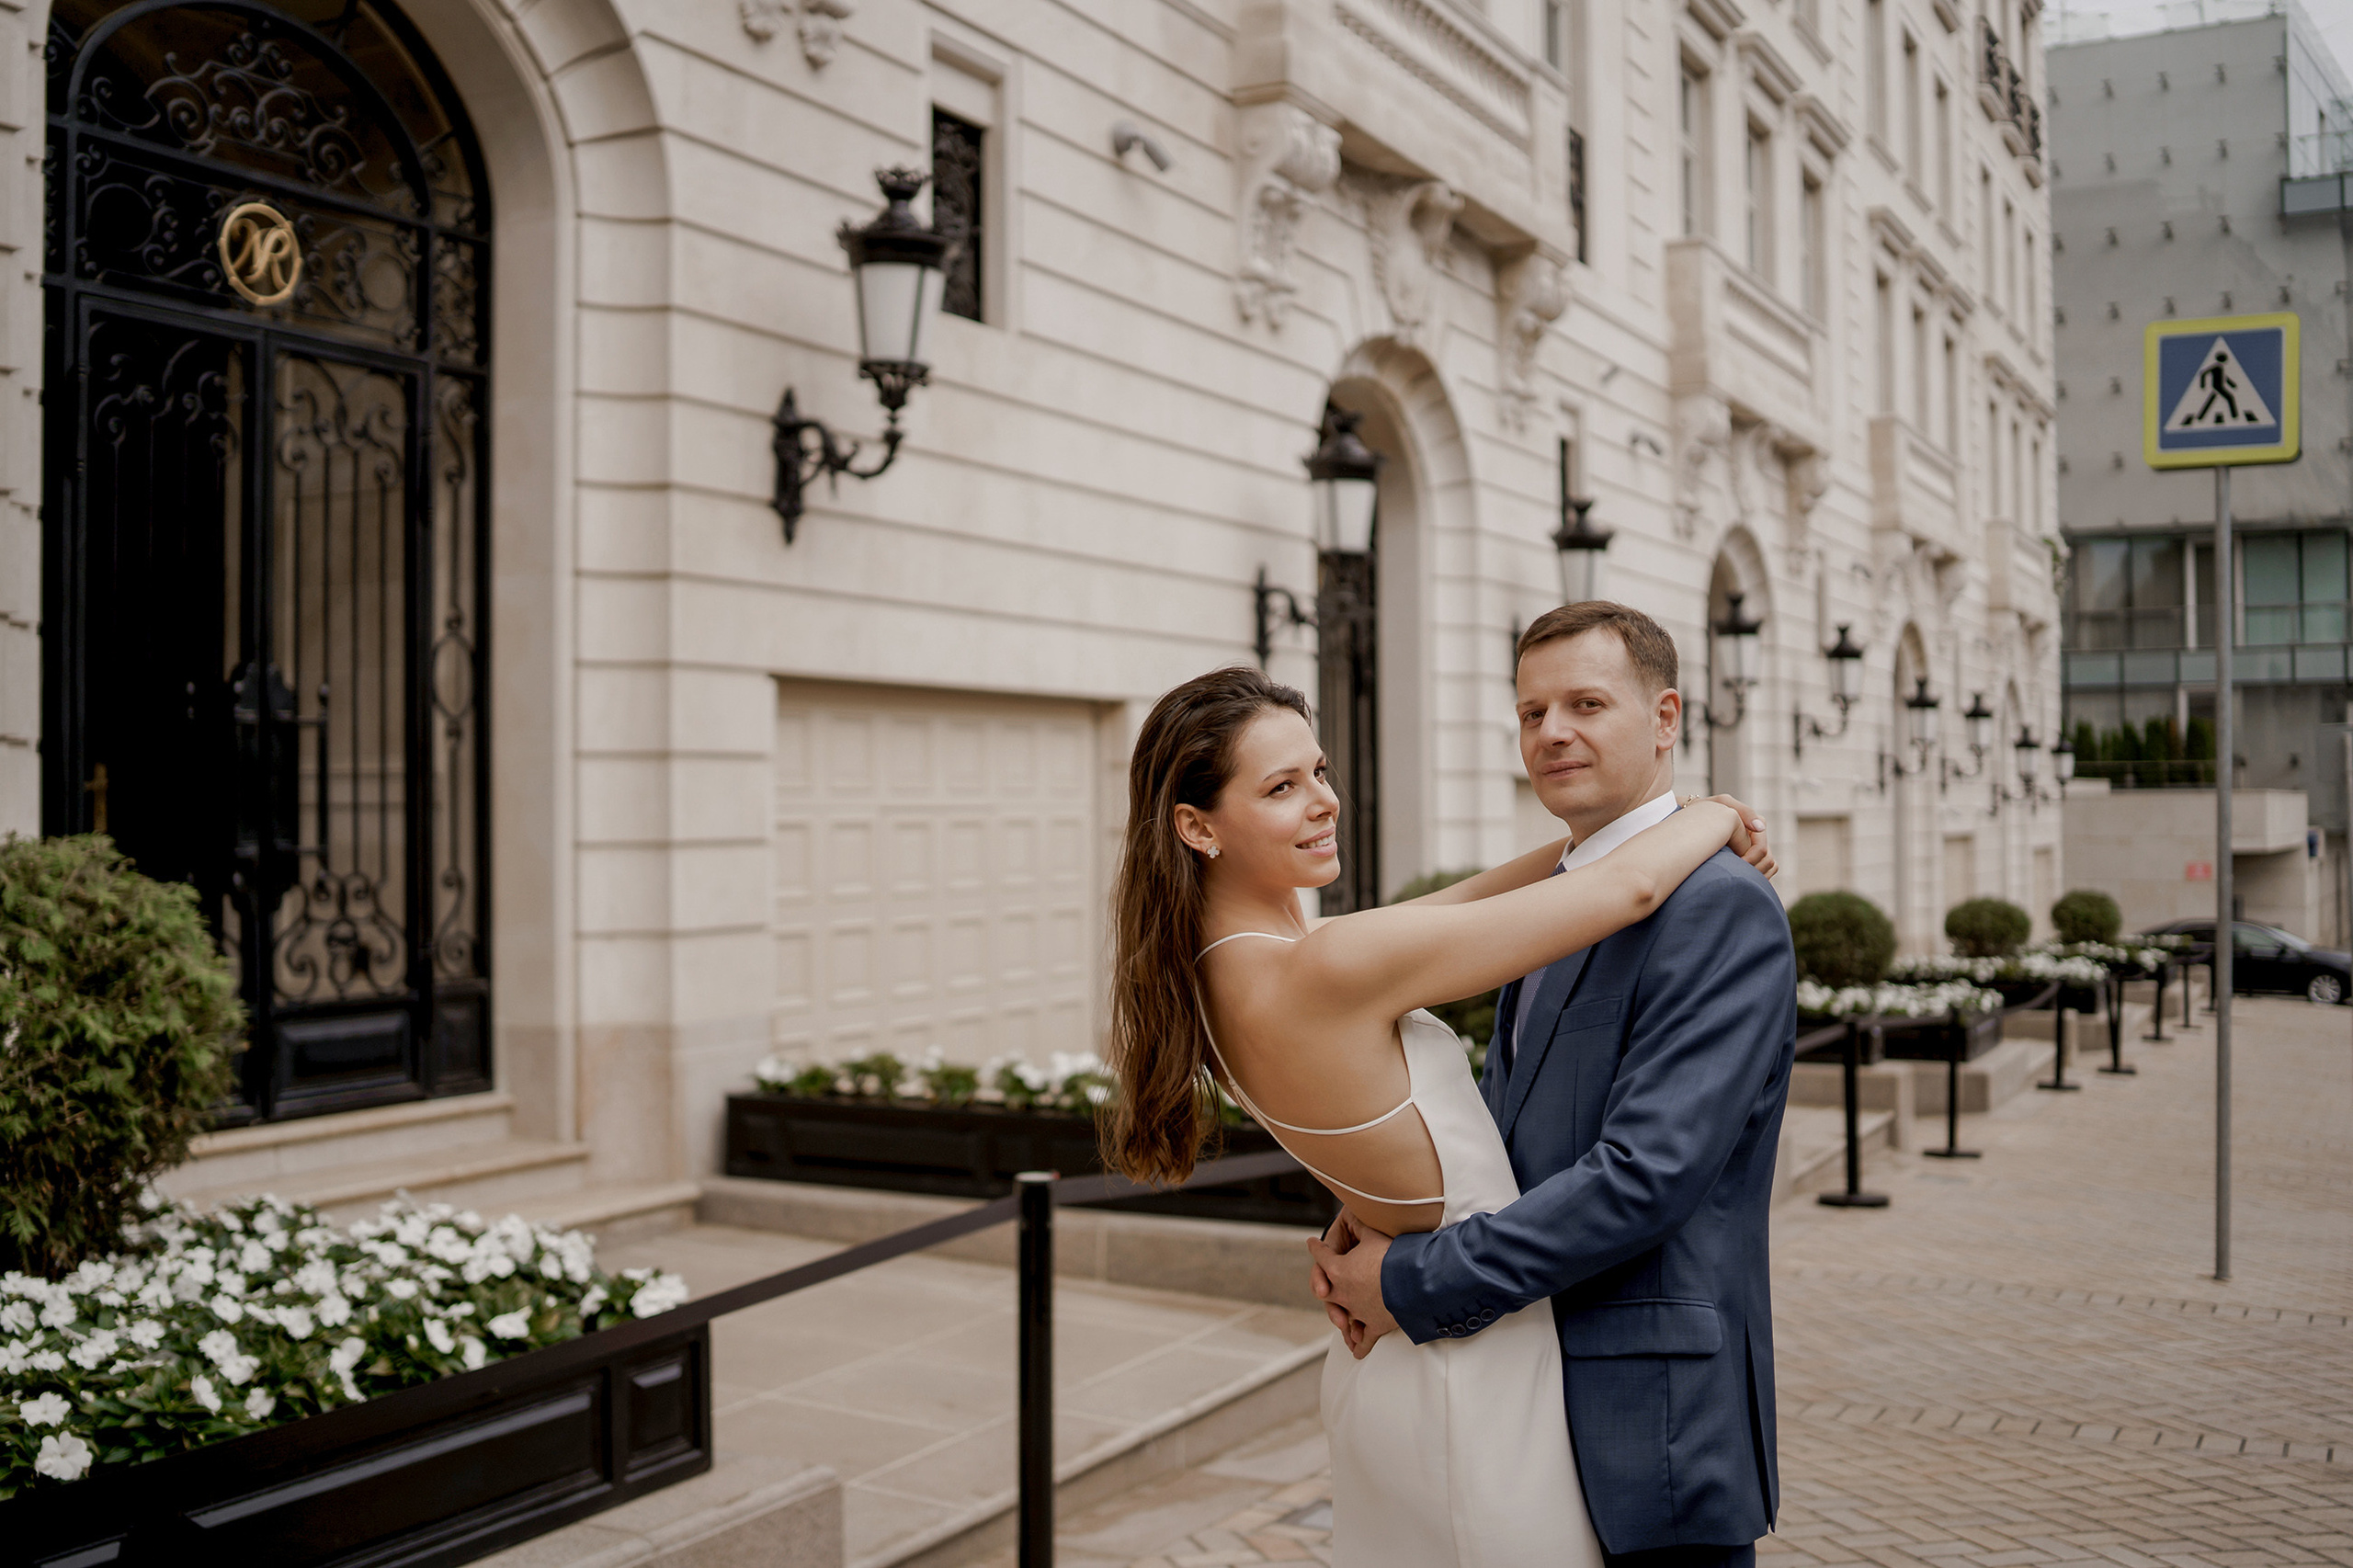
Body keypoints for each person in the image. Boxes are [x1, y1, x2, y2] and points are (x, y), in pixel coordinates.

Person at [1099, 642, 1777, 1568]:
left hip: (1404, 1358)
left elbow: (1488, 893)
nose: (1324, 800)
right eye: (1282, 787)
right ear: (1197, 826)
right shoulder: (1326, 964)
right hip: (1476, 1354)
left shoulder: (1235, 972)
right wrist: (1715, 813)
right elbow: (1628, 886)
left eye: (1320, 772)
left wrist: (1617, 831)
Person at [1313, 601, 1798, 1568]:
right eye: (1532, 712)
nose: (1552, 732)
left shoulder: (1718, 907)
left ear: (1665, 718)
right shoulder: (1556, 904)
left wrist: (1412, 1280)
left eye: (1586, 703)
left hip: (1649, 1428)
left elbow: (1644, 1177)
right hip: (1521, 1407)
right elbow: (1511, 1137)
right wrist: (1383, 1215)